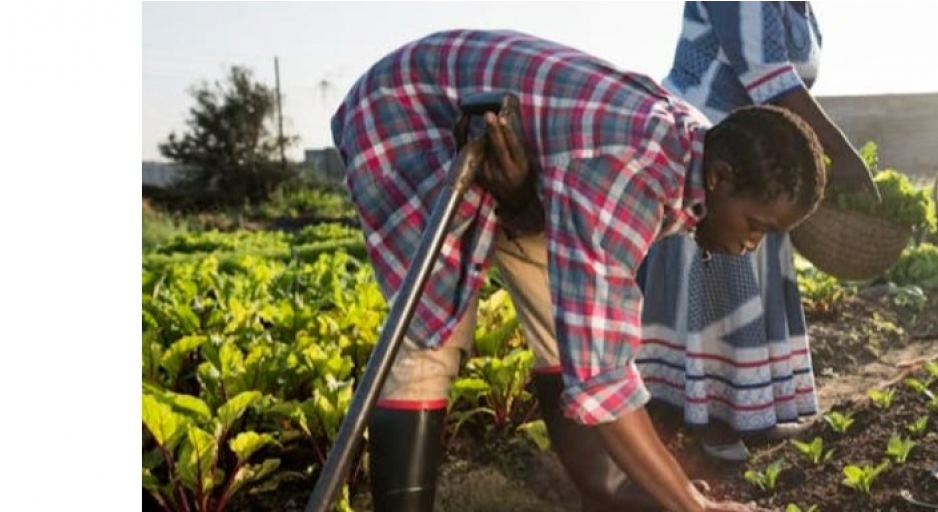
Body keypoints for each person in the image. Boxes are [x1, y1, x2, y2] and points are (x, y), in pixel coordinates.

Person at [332, 28, 827, 512]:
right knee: (429, 331)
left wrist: (524, 197)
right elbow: (603, 377)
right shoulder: (628, 178)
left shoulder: (699, 147)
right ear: (720, 178)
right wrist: (691, 505)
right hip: (406, 112)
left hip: (516, 147)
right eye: (755, 226)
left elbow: (589, 328)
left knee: (558, 309)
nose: (750, 246)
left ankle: (607, 493)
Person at [634, 1, 874, 463]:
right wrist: (839, 152)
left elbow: (787, 84)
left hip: (762, 158)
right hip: (709, 147)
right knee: (718, 275)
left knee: (747, 277)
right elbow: (768, 74)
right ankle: (705, 422)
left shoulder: (801, 10)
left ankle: (746, 413)